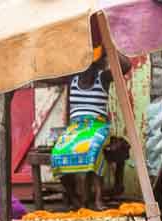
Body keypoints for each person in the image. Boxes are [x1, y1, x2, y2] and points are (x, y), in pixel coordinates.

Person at [51, 50, 131, 211]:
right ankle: (75, 198)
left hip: (97, 126)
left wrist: (107, 49)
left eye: (90, 63)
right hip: (76, 128)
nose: (86, 68)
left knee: (93, 148)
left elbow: (126, 66)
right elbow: (49, 74)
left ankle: (98, 199)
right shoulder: (71, 79)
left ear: (96, 64)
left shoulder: (103, 77)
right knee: (57, 153)